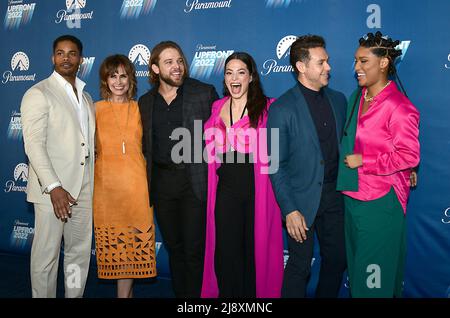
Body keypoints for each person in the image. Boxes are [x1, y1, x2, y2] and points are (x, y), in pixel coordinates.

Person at [336, 31, 420, 298]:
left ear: (383, 63)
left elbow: (409, 156)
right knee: (360, 275)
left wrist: (365, 160)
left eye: (363, 62)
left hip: (380, 202)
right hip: (352, 196)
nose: (357, 68)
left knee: (375, 279)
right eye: (356, 62)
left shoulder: (399, 107)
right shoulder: (357, 97)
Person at [267, 35, 347, 298]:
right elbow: (276, 164)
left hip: (336, 196)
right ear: (301, 67)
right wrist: (289, 210)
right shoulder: (282, 108)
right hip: (301, 201)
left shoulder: (339, 100)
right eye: (321, 62)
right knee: (300, 267)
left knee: (337, 260)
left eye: (328, 61)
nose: (328, 68)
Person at [138, 41, 218, 298]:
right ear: (155, 68)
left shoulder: (203, 93)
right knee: (174, 247)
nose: (177, 66)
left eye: (179, 61)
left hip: (194, 182)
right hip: (162, 184)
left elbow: (222, 136)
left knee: (195, 249)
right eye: (169, 62)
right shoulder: (145, 102)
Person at [201, 52, 284, 298]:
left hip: (257, 190)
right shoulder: (217, 107)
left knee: (253, 251)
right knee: (226, 252)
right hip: (225, 189)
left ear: (251, 77)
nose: (234, 78)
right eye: (229, 73)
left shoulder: (268, 107)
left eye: (240, 72)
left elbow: (279, 149)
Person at [21, 35, 95, 298]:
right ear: (53, 58)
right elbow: (34, 145)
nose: (66, 58)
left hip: (84, 187)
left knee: (78, 254)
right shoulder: (38, 93)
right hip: (51, 191)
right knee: (46, 257)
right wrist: (54, 187)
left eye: (72, 53)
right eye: (61, 53)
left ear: (80, 60)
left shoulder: (86, 98)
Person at [93, 54, 157, 298]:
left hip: (136, 190)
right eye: (112, 76)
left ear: (131, 79)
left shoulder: (140, 108)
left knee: (131, 252)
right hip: (106, 192)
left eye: (123, 76)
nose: (118, 82)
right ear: (105, 80)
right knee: (118, 252)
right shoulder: (94, 110)